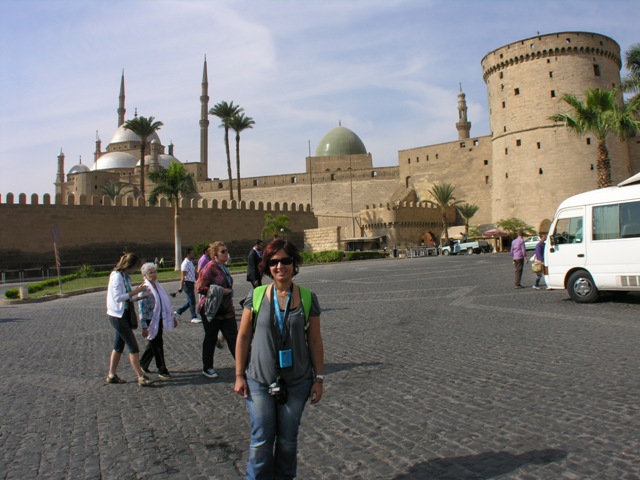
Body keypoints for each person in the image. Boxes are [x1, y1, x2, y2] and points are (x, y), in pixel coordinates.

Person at [234, 239, 325, 479]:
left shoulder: (307, 297)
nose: (280, 266)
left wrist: (319, 379)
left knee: (287, 441)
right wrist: (239, 375)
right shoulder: (256, 296)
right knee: (261, 439)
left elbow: (315, 340)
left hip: (297, 382)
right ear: (267, 266)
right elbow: (243, 336)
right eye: (274, 262)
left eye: (286, 260)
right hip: (259, 380)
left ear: (294, 264)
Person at [105, 252, 153, 387]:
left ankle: (111, 375)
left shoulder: (125, 277)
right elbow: (118, 298)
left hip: (123, 313)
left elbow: (128, 297)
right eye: (135, 267)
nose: (136, 270)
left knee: (118, 346)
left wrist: (140, 297)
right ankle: (141, 376)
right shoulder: (116, 277)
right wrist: (136, 291)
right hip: (117, 316)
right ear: (129, 265)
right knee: (133, 346)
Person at [196, 241, 238, 378]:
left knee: (234, 338)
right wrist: (220, 291)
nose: (226, 253)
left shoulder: (223, 267)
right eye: (222, 251)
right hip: (211, 310)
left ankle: (244, 365)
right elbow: (199, 287)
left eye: (226, 251)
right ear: (215, 254)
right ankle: (207, 367)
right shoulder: (209, 268)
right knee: (211, 338)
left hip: (226, 309)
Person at [138, 262, 179, 379]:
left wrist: (172, 317)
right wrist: (144, 326)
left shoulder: (157, 286)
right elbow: (141, 309)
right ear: (145, 275)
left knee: (153, 343)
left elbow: (165, 303)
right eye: (150, 273)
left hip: (160, 318)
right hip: (150, 320)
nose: (154, 274)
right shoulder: (144, 288)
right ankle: (162, 369)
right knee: (157, 344)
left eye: (155, 272)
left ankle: (143, 363)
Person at [176, 248, 200, 324]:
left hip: (191, 283)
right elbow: (183, 276)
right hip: (187, 283)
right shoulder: (185, 263)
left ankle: (178, 312)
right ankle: (193, 317)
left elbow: (194, 272)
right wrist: (181, 286)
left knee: (190, 301)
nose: (193, 254)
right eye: (192, 253)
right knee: (192, 301)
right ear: (188, 254)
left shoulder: (190, 262)